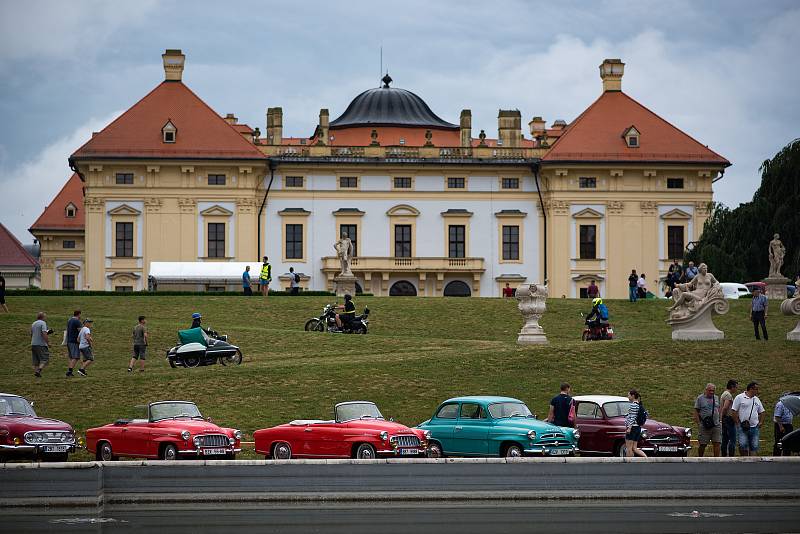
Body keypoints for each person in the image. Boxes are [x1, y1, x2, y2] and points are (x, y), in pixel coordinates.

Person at [730, 381, 765, 456]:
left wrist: (761, 422)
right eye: (756, 389)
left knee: (754, 446)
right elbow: (734, 411)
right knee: (743, 445)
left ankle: (752, 462)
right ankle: (744, 460)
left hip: (754, 427)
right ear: (751, 389)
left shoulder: (756, 399)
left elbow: (762, 412)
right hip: (743, 426)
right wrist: (737, 423)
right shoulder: (739, 397)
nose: (757, 391)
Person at [694, 383, 721, 457]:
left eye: (713, 391)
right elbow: (696, 411)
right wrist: (699, 423)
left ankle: (716, 460)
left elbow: (718, 408)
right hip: (704, 424)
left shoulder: (716, 398)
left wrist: (720, 419)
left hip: (716, 424)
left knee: (717, 442)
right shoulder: (700, 398)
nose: (711, 392)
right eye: (710, 390)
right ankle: (700, 458)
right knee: (703, 444)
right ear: (706, 390)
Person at [624, 389, 648, 458]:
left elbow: (633, 417)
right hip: (638, 428)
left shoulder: (633, 405)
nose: (628, 397)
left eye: (628, 395)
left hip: (633, 428)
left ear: (633, 396)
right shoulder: (639, 405)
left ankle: (629, 464)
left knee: (629, 448)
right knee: (634, 448)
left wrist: (629, 427)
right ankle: (646, 458)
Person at [720, 379, 739, 457]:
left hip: (725, 419)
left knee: (725, 438)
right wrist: (723, 416)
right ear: (732, 386)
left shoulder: (724, 393)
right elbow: (725, 407)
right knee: (732, 439)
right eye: (736, 387)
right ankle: (731, 456)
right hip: (728, 418)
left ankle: (724, 455)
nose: (736, 389)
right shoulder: (728, 395)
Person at [30, 311, 50, 378]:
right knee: (45, 358)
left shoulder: (33, 323)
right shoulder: (43, 323)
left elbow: (31, 334)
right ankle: (39, 370)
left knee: (36, 360)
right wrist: (48, 342)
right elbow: (44, 333)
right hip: (41, 344)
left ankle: (36, 374)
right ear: (43, 317)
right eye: (45, 316)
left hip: (33, 343)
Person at [65, 309, 82, 377]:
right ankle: (69, 371)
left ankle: (70, 371)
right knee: (76, 357)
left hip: (69, 341)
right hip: (74, 341)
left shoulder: (69, 320)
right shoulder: (77, 321)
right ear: (79, 314)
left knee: (72, 357)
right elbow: (80, 331)